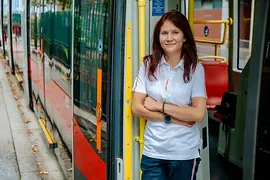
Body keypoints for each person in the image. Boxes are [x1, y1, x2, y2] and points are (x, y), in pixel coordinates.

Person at [132, 10, 207, 180]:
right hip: (153, 150)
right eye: (164, 33)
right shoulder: (148, 64)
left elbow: (197, 114)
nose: (169, 38)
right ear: (158, 37)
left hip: (184, 153)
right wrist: (174, 119)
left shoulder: (196, 69)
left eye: (175, 32)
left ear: (185, 36)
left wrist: (159, 106)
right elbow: (137, 108)